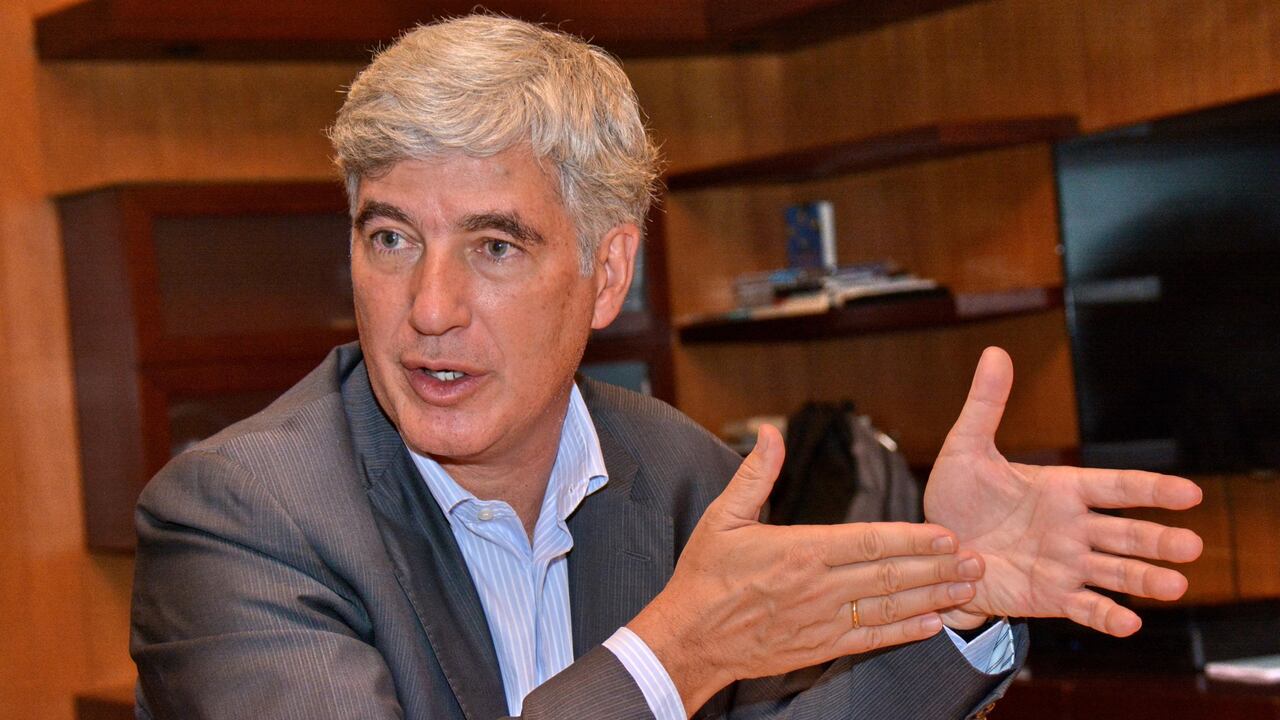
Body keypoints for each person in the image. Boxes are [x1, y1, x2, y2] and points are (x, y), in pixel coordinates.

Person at [129, 14, 1204, 720]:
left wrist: (958, 597)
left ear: (607, 275)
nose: (430, 308)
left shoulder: (680, 473)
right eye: (391, 238)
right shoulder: (240, 515)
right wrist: (671, 657)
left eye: (493, 247)